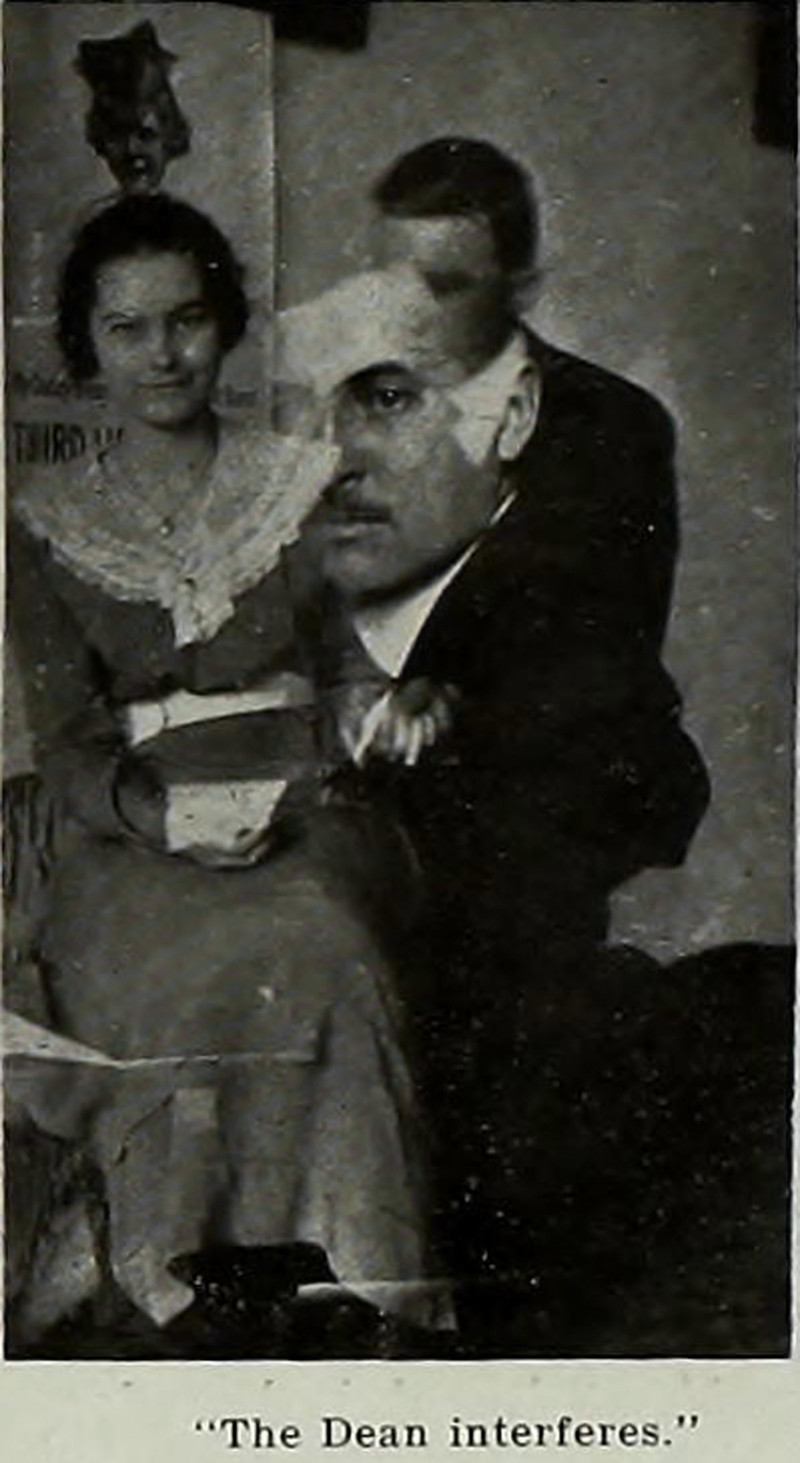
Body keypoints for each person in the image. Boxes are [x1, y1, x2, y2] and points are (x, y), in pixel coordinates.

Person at [4, 194, 452, 1359]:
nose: (162, 354)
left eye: (187, 319)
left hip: (306, 801)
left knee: (318, 942)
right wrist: (159, 817)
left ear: (227, 324)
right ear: (85, 344)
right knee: (174, 967)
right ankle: (189, 1277)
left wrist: (388, 706)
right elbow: (67, 740)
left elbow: (351, 671)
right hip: (131, 832)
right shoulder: (42, 522)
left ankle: (357, 1278)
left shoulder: (305, 484)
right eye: (126, 328)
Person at [283, 151, 710, 1333]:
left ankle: (500, 1281)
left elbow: (584, 647)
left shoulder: (608, 426)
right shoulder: (345, 402)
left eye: (446, 283)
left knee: (496, 952)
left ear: (520, 287)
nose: (407, 310)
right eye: (388, 277)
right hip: (389, 756)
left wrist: (426, 701)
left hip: (547, 759)